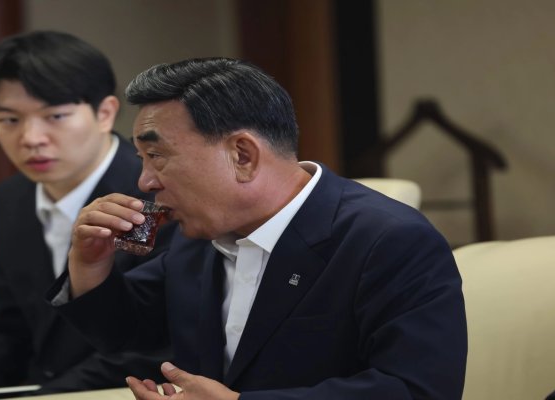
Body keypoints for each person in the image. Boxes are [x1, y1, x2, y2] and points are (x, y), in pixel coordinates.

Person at [49, 57, 467, 399]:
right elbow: (126, 334)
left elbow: (416, 389)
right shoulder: (198, 237)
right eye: (141, 159)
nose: (144, 182)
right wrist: (89, 265)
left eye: (157, 156)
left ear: (243, 155)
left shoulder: (390, 239)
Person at [0, 31, 172, 400]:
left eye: (55, 116)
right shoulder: (11, 200)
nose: (31, 138)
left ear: (104, 113)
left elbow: (150, 342)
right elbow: (11, 329)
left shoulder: (152, 192)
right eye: (9, 120)